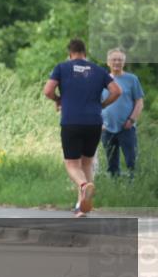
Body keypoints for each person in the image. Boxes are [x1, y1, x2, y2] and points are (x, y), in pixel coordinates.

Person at [43, 38, 121, 217]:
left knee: (71, 164)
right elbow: (117, 91)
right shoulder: (98, 70)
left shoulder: (62, 68)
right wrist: (102, 105)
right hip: (94, 122)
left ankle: (84, 186)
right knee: (87, 163)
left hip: (71, 121)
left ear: (70, 54)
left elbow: (48, 91)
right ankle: (82, 207)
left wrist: (58, 100)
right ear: (85, 54)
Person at [100, 48, 145, 180]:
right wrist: (100, 122)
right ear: (108, 62)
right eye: (114, 59)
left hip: (127, 127)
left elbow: (139, 102)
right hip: (106, 128)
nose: (117, 62)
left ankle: (134, 185)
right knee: (111, 164)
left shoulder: (132, 79)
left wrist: (131, 120)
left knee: (131, 161)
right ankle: (115, 187)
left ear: (124, 62)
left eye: (120, 60)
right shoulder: (102, 80)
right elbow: (96, 103)